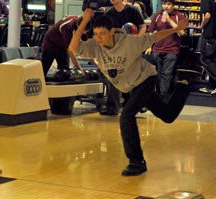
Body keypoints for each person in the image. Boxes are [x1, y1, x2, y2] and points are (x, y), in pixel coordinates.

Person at [69, 9, 198, 176]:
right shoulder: (94, 46)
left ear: (112, 32)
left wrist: (175, 29)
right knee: (167, 115)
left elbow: (154, 37)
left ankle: (136, 162)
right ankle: (184, 83)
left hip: (145, 79)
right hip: (129, 86)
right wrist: (85, 21)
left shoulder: (130, 42)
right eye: (95, 34)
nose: (98, 38)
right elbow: (73, 47)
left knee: (126, 116)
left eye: (102, 34)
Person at [99, 0, 146, 115]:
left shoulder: (132, 10)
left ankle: (138, 104)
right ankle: (112, 107)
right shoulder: (109, 13)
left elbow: (143, 26)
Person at [145, 0, 186, 103]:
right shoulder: (157, 16)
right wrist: (149, 46)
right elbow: (151, 33)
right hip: (157, 49)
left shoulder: (179, 16)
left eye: (168, 4)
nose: (166, 6)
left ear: (173, 5)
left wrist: (169, 21)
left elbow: (181, 33)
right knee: (155, 75)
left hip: (171, 50)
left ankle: (162, 98)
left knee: (166, 75)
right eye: (164, 4)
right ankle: (153, 97)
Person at [198, 0, 216, 95]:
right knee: (213, 61)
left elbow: (207, 15)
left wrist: (202, 26)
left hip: (209, 34)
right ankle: (211, 86)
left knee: (205, 59)